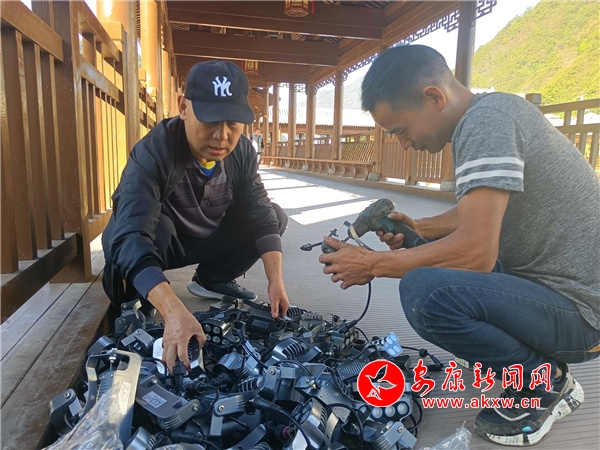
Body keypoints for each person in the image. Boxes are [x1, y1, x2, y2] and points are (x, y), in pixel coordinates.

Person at [320, 45, 600, 447]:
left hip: (584, 314)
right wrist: (420, 227)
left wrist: (372, 264)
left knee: (424, 291)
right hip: (555, 289)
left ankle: (545, 382)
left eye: (400, 131)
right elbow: (481, 213)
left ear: (434, 97)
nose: (404, 145)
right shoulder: (494, 112)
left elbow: (476, 252)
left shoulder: (485, 124)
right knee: (429, 261)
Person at [102, 59, 290, 373]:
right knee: (149, 231)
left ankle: (210, 279)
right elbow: (131, 236)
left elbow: (260, 211)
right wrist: (173, 309)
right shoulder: (153, 152)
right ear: (183, 107)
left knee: (274, 216)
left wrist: (276, 281)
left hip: (205, 239)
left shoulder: (242, 151)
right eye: (211, 120)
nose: (222, 135)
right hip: (161, 243)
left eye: (233, 123)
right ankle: (141, 302)